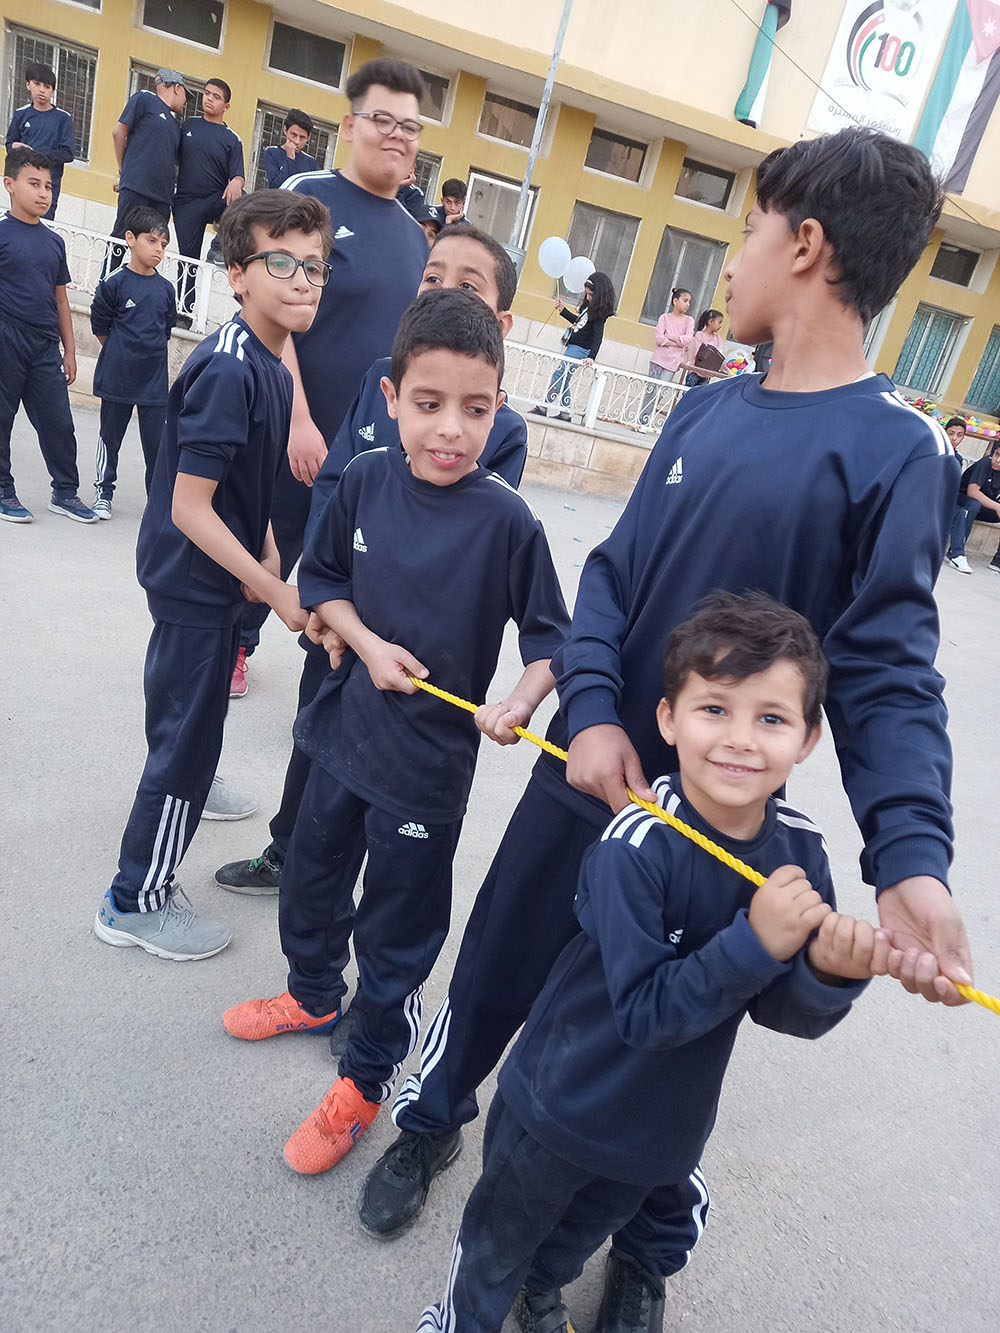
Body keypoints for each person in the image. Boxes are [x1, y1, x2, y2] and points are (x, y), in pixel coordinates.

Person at [360, 129, 973, 1333]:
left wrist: (912, 859)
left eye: (746, 231)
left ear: (805, 244)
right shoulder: (702, 411)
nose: (731, 260)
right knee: (496, 963)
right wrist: (591, 713)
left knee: (673, 1034)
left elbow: (890, 672)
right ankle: (431, 1119)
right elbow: (612, 578)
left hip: (717, 825)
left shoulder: (900, 451)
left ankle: (642, 1244)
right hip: (588, 775)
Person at [418, 592, 880, 1333]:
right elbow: (642, 1011)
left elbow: (779, 1008)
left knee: (573, 1241)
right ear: (668, 719)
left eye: (771, 718)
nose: (740, 739)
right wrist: (757, 942)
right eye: (714, 709)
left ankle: (543, 1288)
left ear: (809, 737)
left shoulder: (800, 852)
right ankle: (460, 1320)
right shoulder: (634, 843)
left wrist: (829, 972)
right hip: (557, 1106)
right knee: (495, 1246)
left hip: (661, 1129)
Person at [221, 288, 570, 1178]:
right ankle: (310, 995)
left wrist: (518, 702)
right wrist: (369, 645)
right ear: (391, 397)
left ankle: (365, 1077)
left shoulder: (509, 520)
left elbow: (552, 643)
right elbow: (323, 583)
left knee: (395, 934)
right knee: (308, 882)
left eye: (476, 409)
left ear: (500, 407)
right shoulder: (367, 478)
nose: (451, 429)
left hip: (426, 770)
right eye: (429, 403)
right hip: (341, 734)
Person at [215, 223, 528, 898]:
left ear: (501, 323)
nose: (443, 290)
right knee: (315, 740)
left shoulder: (500, 430)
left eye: (468, 285)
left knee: (387, 777)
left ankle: (361, 885)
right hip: (339, 621)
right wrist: (325, 601)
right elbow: (334, 486)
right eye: (433, 276)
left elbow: (464, 541)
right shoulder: (378, 379)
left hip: (411, 649)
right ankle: (290, 851)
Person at [92, 189, 332, 960]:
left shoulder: (269, 361)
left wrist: (267, 548)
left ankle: (188, 775)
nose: (303, 280)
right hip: (194, 580)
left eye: (315, 266)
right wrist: (274, 587)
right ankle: (135, 899)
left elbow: (240, 481)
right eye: (281, 262)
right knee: (185, 747)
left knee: (191, 724)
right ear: (237, 274)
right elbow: (191, 506)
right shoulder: (232, 368)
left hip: (217, 577)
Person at [233, 57, 429, 690]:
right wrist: (297, 418)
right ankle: (232, 643)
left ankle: (330, 680)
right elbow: (272, 310)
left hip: (362, 445)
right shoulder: (310, 196)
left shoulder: (415, 237)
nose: (396, 135)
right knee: (266, 544)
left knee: (347, 564)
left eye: (410, 126)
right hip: (292, 426)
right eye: (382, 119)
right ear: (349, 125)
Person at [0, 148, 96, 524]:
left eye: (49, 186)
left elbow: (60, 300)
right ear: (9, 185)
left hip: (44, 346)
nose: (43, 193)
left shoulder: (54, 243)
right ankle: (3, 489)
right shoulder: (2, 234)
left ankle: (65, 492)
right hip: (7, 337)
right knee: (2, 418)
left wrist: (69, 351)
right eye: (34, 184)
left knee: (58, 422)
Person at [90, 206, 176, 516]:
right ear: (130, 239)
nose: (158, 249)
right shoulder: (114, 283)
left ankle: (158, 503)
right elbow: (100, 326)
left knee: (157, 446)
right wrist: (121, 351)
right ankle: (103, 492)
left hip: (154, 384)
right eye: (152, 241)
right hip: (118, 378)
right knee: (109, 438)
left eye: (163, 244)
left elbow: (166, 330)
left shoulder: (166, 289)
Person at [173, 78, 246, 319]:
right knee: (187, 261)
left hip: (215, 200)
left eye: (216, 96)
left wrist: (237, 181)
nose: (209, 99)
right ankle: (184, 313)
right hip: (186, 203)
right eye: (207, 93)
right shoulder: (188, 125)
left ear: (226, 105)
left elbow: (238, 175)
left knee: (243, 200)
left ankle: (219, 245)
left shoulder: (232, 138)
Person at [109, 69, 187, 271]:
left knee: (154, 244)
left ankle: (142, 283)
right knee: (122, 235)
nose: (185, 101)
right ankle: (106, 281)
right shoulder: (144, 99)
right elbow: (119, 132)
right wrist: (123, 171)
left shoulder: (175, 125)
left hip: (162, 196)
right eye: (185, 94)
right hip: (136, 186)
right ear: (177, 88)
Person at [529, 272, 616, 423]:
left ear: (599, 295)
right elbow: (580, 323)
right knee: (564, 378)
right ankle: (565, 413)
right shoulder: (589, 309)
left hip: (580, 349)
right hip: (575, 346)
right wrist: (563, 310)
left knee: (559, 375)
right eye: (587, 294)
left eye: (590, 295)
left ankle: (544, 407)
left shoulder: (599, 315)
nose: (587, 298)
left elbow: (598, 337)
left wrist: (592, 357)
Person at [5, 61, 75, 220]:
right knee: (20, 221)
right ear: (28, 85)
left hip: (49, 182)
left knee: (43, 223)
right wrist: (13, 147)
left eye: (47, 86)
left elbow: (68, 153)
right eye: (37, 84)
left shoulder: (63, 118)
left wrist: (35, 154)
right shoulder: (20, 114)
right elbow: (10, 144)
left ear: (53, 92)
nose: (42, 90)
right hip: (22, 180)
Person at [638, 288, 694, 427]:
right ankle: (641, 421)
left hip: (673, 362)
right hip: (658, 359)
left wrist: (670, 337)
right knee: (650, 390)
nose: (687, 304)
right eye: (685, 301)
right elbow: (659, 338)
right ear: (675, 301)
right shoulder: (664, 317)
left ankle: (645, 420)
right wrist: (677, 343)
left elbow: (688, 339)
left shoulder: (689, 321)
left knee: (661, 392)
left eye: (689, 302)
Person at [944, 441, 1000, 575]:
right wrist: (997, 507)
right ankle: (955, 553)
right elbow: (972, 492)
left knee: (977, 505)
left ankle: (997, 561)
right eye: (997, 454)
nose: (997, 460)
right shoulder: (986, 463)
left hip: (983, 506)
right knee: (974, 505)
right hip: (961, 500)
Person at [263, 109, 317, 189]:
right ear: (285, 130)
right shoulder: (272, 152)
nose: (297, 141)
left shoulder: (311, 163)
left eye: (302, 137)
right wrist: (290, 159)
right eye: (294, 135)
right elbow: (275, 187)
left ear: (308, 138)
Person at [682, 308, 725, 388]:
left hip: (707, 374)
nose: (720, 326)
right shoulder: (700, 335)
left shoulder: (718, 338)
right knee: (688, 392)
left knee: (700, 394)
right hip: (695, 371)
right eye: (719, 322)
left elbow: (719, 354)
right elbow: (698, 353)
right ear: (711, 322)